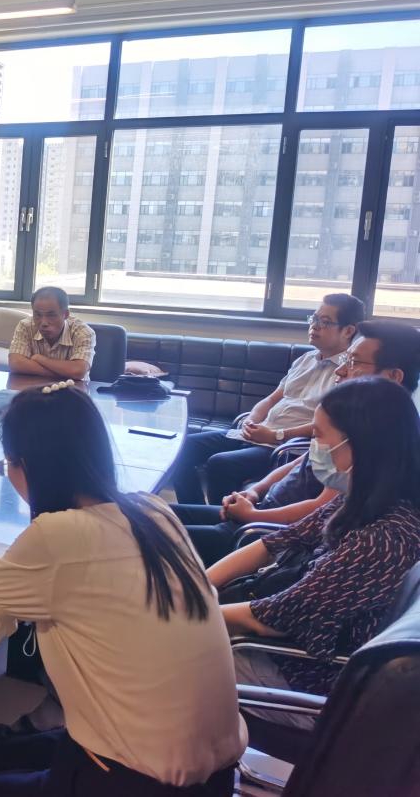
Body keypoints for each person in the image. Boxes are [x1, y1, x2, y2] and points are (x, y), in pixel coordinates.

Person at [0, 385, 244, 796]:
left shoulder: (58, 535)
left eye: (8, 465)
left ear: (27, 466)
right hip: (213, 776)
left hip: (134, 781)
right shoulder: (153, 511)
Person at [212, 377, 420, 729]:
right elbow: (275, 542)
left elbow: (271, 619)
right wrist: (199, 584)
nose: (315, 447)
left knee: (168, 653)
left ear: (361, 445)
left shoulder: (382, 538)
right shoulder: (364, 499)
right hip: (286, 643)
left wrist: (188, 610)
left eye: (321, 436)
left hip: (308, 679)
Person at [175, 319, 420, 564]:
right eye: (346, 359)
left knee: (156, 536)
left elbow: (321, 511)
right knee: (156, 515)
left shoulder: (376, 438)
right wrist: (254, 491)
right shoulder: (354, 417)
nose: (340, 370)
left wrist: (251, 516)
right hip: (262, 512)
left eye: (354, 362)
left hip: (266, 534)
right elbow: (300, 461)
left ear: (393, 376)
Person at [171, 294, 363, 505]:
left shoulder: (349, 373)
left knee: (220, 463)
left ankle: (223, 520)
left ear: (348, 331)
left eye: (325, 322)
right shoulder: (305, 359)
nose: (315, 326)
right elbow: (272, 399)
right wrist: (251, 419)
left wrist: (276, 435)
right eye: (314, 318)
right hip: (259, 432)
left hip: (285, 447)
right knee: (183, 447)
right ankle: (194, 511)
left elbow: (329, 426)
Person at [6, 287, 96, 381]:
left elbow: (77, 371)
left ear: (65, 314)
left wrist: (40, 359)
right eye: (38, 315)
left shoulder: (83, 332)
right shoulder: (25, 326)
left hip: (74, 388)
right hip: (33, 386)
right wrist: (64, 373)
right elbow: (15, 363)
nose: (44, 323)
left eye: (51, 315)